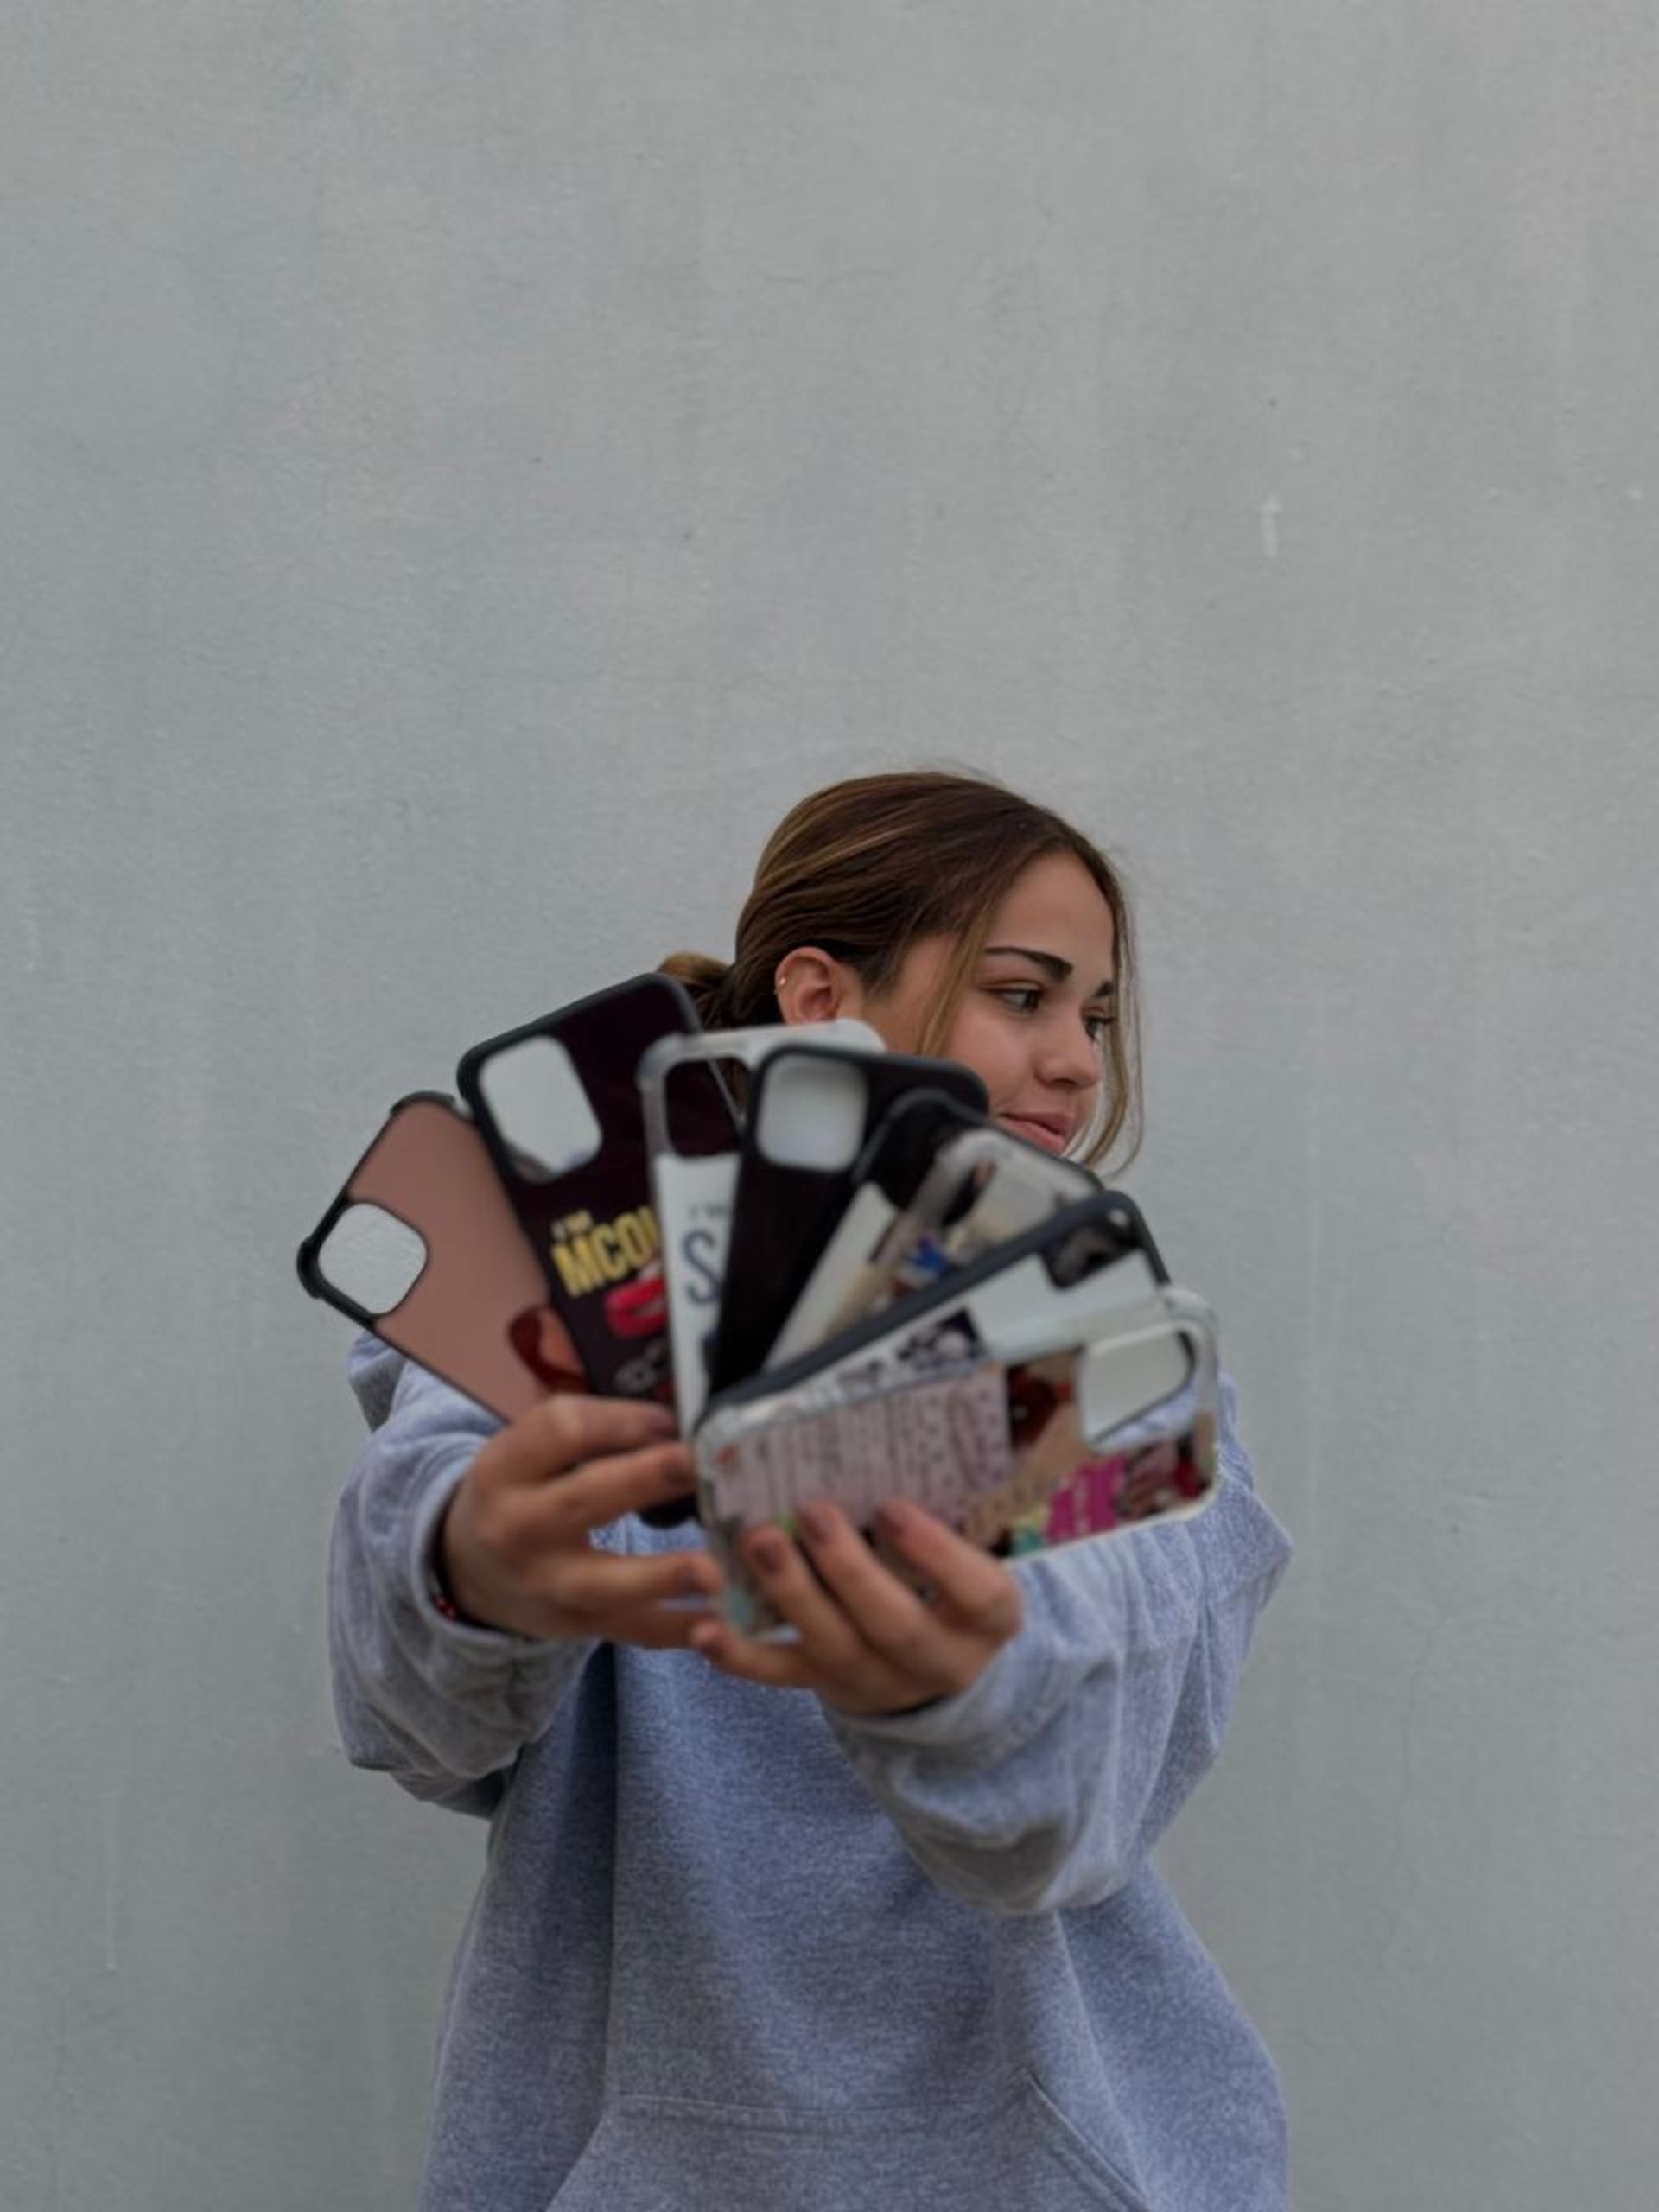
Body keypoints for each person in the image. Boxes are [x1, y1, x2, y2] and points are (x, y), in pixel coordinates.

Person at [327, 770, 1294, 2212]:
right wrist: (466, 1566)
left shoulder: (1119, 1356)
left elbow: (1103, 1769)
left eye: (1091, 1014)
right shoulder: (571, 1294)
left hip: (1046, 2166)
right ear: (820, 993)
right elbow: (413, 1703)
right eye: (1024, 996)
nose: (1080, 1062)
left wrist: (967, 1685)